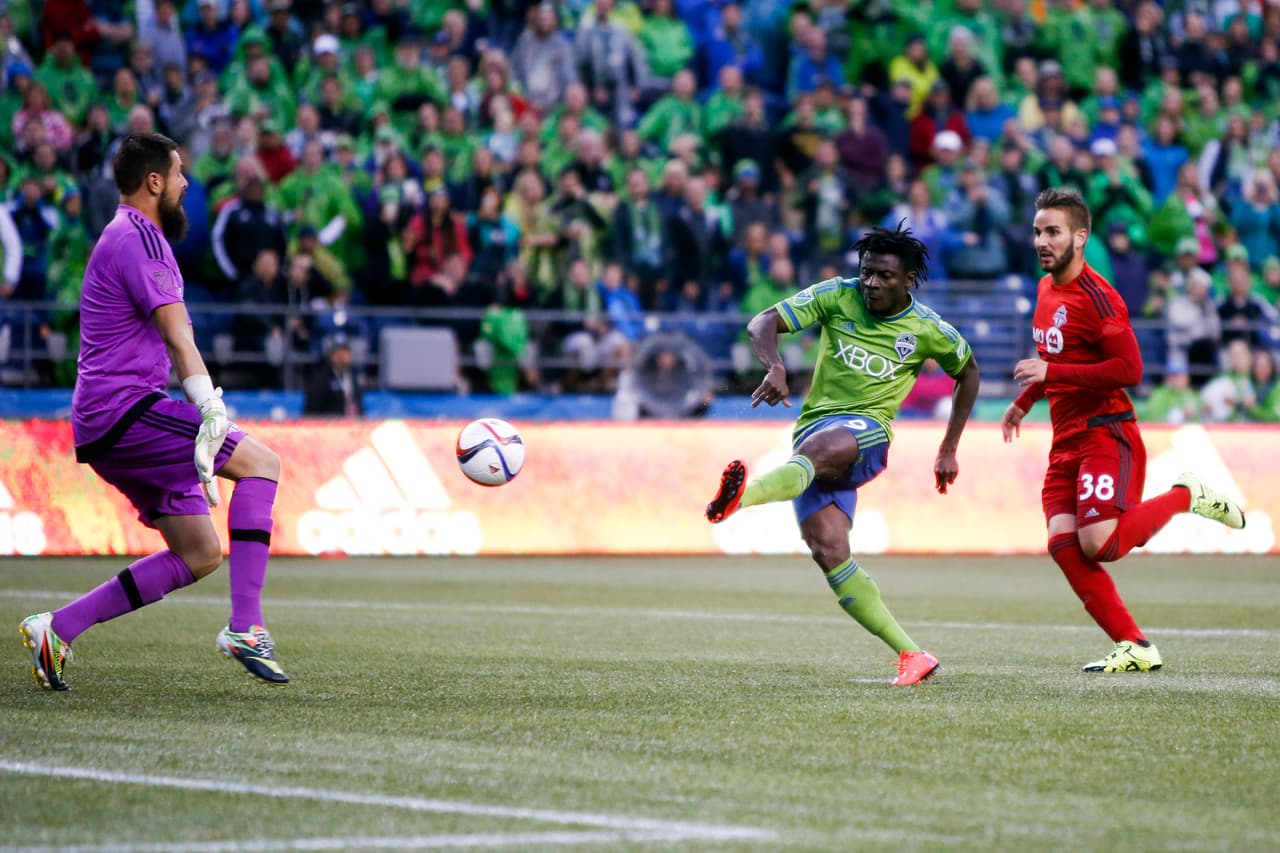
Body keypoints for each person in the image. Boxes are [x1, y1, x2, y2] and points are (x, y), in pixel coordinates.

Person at [18, 134, 288, 691]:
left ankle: (58, 628)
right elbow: (176, 334)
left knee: (200, 552)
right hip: (128, 411)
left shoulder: (124, 235)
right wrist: (210, 407)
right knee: (263, 464)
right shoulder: (141, 237)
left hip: (105, 419)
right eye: (180, 172)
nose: (188, 183)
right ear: (155, 182)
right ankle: (246, 627)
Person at [704, 223, 982, 686]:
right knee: (828, 551)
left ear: (908, 279)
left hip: (869, 431)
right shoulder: (837, 294)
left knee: (817, 450)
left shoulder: (929, 329)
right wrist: (775, 365)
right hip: (815, 429)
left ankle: (741, 499)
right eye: (867, 272)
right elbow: (762, 322)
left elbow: (968, 373)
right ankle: (912, 655)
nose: (871, 283)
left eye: (884, 276)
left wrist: (949, 447)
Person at [1001, 188, 1245, 674]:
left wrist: (1052, 378)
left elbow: (1129, 368)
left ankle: (1184, 496)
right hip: (1065, 437)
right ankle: (1135, 646)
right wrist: (1025, 401)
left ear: (1081, 236)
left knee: (1099, 545)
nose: (1041, 242)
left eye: (1052, 232)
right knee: (1063, 545)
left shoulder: (1100, 298)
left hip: (1106, 434)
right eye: (1037, 232)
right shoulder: (1046, 288)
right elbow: (1056, 359)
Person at [304, 332, 363, 417]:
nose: (342, 356)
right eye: (338, 352)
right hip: (328, 425)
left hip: (352, 425)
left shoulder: (352, 377)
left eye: (345, 352)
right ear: (331, 355)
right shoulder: (321, 378)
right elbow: (312, 410)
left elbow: (358, 406)